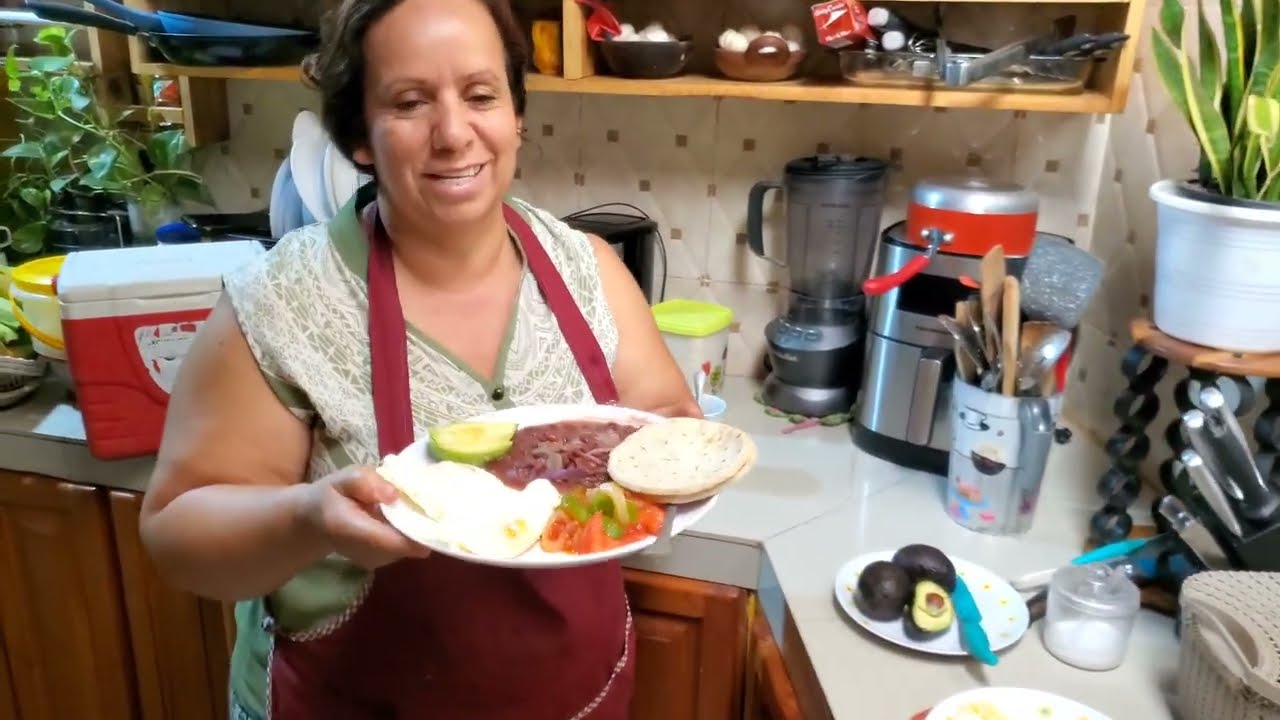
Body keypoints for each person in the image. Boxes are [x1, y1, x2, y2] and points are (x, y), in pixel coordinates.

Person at [138, 0, 700, 717]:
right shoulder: (284, 302)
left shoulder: (588, 269)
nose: (454, 133)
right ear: (361, 136)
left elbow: (666, 424)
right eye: (410, 102)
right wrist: (308, 517)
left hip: (579, 699)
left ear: (515, 114)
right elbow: (176, 535)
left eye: (480, 95)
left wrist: (676, 457)